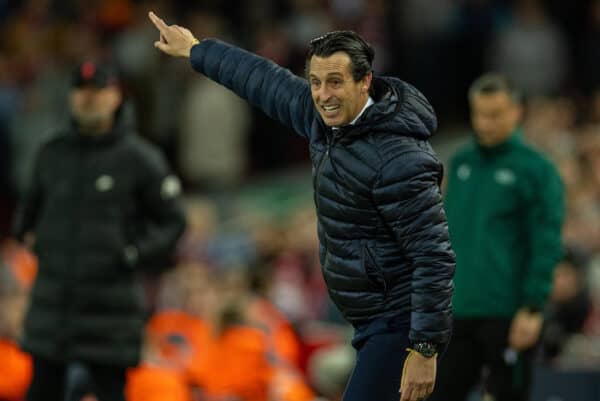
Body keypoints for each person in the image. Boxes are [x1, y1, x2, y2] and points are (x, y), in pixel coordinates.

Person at [148, 12, 455, 401]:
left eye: (335, 82)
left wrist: (424, 347)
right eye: (315, 82)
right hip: (371, 319)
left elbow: (433, 256)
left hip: (399, 323)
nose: (323, 94)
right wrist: (195, 50)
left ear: (365, 82)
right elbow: (263, 80)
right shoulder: (323, 120)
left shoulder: (400, 158)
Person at [12, 61, 187, 401]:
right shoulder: (52, 153)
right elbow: (27, 212)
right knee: (41, 391)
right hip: (53, 302)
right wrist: (32, 237)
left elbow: (173, 221)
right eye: (81, 90)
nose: (88, 99)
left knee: (110, 393)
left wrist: (133, 253)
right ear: (71, 97)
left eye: (98, 91)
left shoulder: (140, 159)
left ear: (116, 97)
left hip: (111, 308)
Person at [430, 74, 564, 401]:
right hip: (456, 310)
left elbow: (545, 242)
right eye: (479, 114)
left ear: (516, 112)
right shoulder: (461, 162)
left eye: (495, 114)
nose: (485, 123)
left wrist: (533, 306)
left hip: (508, 313)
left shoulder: (536, 170)